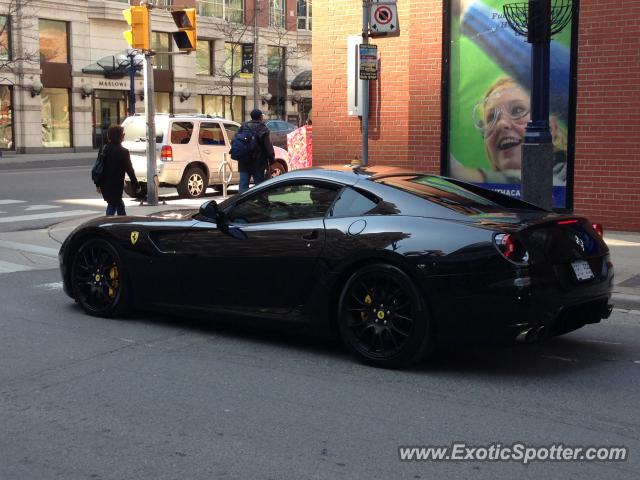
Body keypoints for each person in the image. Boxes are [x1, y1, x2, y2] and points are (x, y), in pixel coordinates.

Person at [451, 77, 567, 185]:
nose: (501, 124)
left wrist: (459, 173)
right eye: (491, 118)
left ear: (551, 128)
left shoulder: (571, 182)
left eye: (517, 110)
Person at [95, 124, 139, 216]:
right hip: (116, 185)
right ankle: (107, 223)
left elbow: (98, 167)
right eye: (123, 134)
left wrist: (98, 184)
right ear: (119, 136)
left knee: (117, 203)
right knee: (112, 205)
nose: (124, 135)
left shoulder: (103, 149)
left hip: (104, 184)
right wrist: (136, 185)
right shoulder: (123, 152)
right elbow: (130, 170)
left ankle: (123, 220)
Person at [237, 109, 275, 194]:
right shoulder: (263, 128)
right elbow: (268, 147)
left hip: (244, 162)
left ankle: (241, 205)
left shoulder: (243, 126)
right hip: (258, 162)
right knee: (259, 186)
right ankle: (259, 204)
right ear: (260, 117)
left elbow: (236, 142)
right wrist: (272, 161)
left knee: (243, 186)